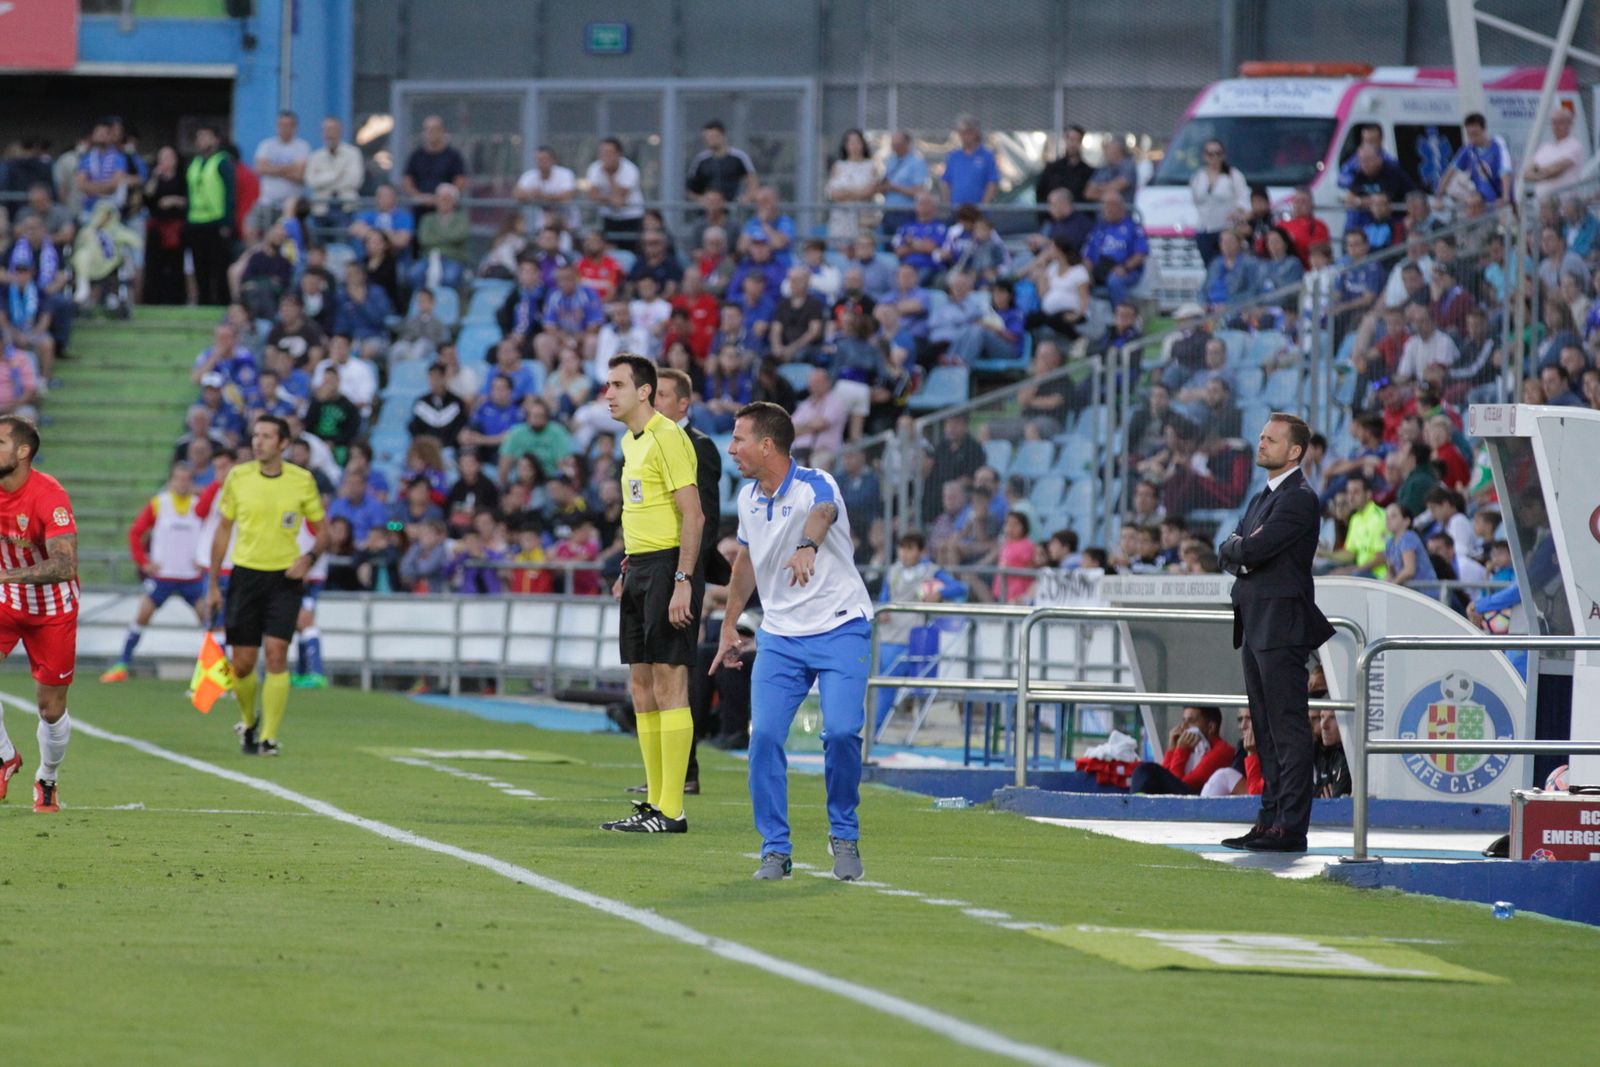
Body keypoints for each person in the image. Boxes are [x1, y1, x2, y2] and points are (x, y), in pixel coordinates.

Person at [711, 401, 875, 881]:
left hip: (841, 626)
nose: (731, 448)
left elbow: (823, 513)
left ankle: (843, 833)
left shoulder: (816, 483)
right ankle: (775, 849)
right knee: (762, 737)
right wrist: (728, 625)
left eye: (738, 439)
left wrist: (807, 546)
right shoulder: (747, 499)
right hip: (781, 635)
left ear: (767, 445)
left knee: (841, 732)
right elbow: (745, 563)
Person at [1217, 413, 1336, 853]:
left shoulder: (1299, 498)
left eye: (1271, 439)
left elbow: (1252, 548)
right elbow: (1229, 549)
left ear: (1295, 451)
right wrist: (1242, 551)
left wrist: (1242, 552)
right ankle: (1268, 820)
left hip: (1281, 626)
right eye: (1262, 436)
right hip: (1255, 624)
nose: (1261, 443)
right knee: (1264, 730)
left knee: (1287, 729)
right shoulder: (1260, 498)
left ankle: (1290, 826)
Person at [601, 354, 704, 834]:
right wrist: (628, 564)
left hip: (667, 567)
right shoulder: (631, 440)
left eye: (617, 385)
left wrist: (683, 580)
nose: (608, 394)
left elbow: (693, 515)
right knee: (641, 686)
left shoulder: (668, 437)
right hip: (640, 567)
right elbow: (643, 510)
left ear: (644, 391)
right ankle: (655, 803)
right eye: (608, 385)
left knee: (668, 683)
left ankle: (672, 810)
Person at [621, 367, 732, 797]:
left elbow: (702, 516)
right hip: (647, 566)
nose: (657, 402)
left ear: (684, 402)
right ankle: (663, 779)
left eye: (664, 395)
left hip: (675, 571)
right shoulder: (640, 440)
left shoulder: (696, 445)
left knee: (672, 674)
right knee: (648, 675)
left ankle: (683, 775)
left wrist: (688, 579)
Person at [205, 416, 329, 758]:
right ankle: (249, 721)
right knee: (242, 664)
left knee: (276, 654)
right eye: (256, 435)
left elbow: (325, 532)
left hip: (284, 579)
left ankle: (269, 738)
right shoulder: (238, 477)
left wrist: (308, 558)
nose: (258, 442)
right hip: (245, 576)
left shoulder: (302, 481)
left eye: (267, 436)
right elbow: (223, 530)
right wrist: (213, 583)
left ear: (283, 443)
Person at [0, 416, 80, 813]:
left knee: (51, 709)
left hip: (52, 609)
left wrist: (4, 575)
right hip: (5, 601)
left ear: (22, 451)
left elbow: (64, 564)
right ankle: (4, 756)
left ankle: (47, 776)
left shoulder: (49, 495)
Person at [101, 461, 209, 683]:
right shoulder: (160, 503)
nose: (182, 483)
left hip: (191, 577)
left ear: (192, 482)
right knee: (142, 616)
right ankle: (122, 664)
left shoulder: (200, 506)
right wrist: (143, 562)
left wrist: (205, 561)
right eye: (178, 478)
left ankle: (214, 672)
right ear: (171, 481)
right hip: (163, 576)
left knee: (209, 622)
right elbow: (135, 533)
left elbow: (213, 534)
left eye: (186, 479)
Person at [1128, 706, 1236, 795]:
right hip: (1185, 795)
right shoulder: (1195, 749)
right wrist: (1171, 749)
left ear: (1211, 727)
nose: (1184, 727)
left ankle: (1135, 805)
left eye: (1191, 721)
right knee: (1144, 772)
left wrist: (1181, 751)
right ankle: (1137, 803)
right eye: (1183, 721)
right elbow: (1165, 776)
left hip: (1198, 800)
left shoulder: (1222, 751)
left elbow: (1181, 783)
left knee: (1145, 769)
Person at [185, 124, 236, 306]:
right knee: (200, 267)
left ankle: (222, 303)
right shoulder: (194, 163)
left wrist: (227, 223)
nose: (202, 141)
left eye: (206, 136)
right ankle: (203, 302)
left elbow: (230, 193)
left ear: (216, 140)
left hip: (216, 222)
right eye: (199, 137)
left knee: (219, 267)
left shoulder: (222, 162)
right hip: (196, 221)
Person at [1189, 139, 1249, 267]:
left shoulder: (1233, 175)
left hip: (1226, 229)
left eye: (1218, 153)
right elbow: (1195, 200)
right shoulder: (1198, 177)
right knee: (1209, 266)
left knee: (1226, 264)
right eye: (1210, 154)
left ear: (1223, 155)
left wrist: (1236, 212)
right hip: (1204, 229)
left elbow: (1244, 200)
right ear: (1204, 156)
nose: (1214, 157)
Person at [1436, 112, 1511, 206]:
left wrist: (1505, 197)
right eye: (1469, 135)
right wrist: (1438, 197)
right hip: (1480, 204)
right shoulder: (1468, 150)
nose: (1472, 138)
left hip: (1497, 202)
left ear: (1484, 130)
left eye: (1475, 134)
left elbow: (1505, 172)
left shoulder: (1498, 145)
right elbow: (1450, 171)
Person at [400, 115, 467, 216]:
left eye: (435, 129)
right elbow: (407, 181)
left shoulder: (453, 156)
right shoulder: (416, 156)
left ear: (442, 131)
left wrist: (443, 198)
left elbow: (461, 180)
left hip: (446, 213)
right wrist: (420, 197)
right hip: (420, 211)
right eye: (428, 129)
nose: (431, 133)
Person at [587, 138, 645, 252]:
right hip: (608, 216)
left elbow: (618, 198)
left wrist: (610, 175)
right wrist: (610, 199)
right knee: (609, 250)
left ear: (619, 154)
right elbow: (592, 196)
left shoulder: (630, 169)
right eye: (602, 152)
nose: (605, 156)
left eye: (609, 152)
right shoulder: (594, 168)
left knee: (630, 250)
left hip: (631, 217)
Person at [825, 128, 879, 246]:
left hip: (863, 217)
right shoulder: (838, 166)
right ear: (845, 145)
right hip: (842, 217)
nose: (854, 146)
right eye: (851, 142)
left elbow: (870, 191)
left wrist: (846, 193)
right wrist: (859, 192)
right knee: (843, 248)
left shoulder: (871, 166)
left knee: (862, 245)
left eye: (857, 142)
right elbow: (833, 194)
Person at [686, 120, 758, 206]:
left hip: (732, 207)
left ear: (723, 136)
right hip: (707, 210)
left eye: (713, 136)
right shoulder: (701, 160)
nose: (710, 140)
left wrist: (747, 198)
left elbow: (752, 181)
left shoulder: (739, 157)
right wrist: (701, 200)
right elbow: (690, 189)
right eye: (707, 137)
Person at [1524, 106, 1587, 202]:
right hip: (1541, 203)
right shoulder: (1545, 147)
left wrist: (1538, 172)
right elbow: (1527, 174)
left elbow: (1555, 171)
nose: (1556, 126)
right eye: (1554, 122)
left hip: (1564, 204)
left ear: (1570, 124)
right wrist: (1545, 173)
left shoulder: (1574, 146)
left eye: (1560, 122)